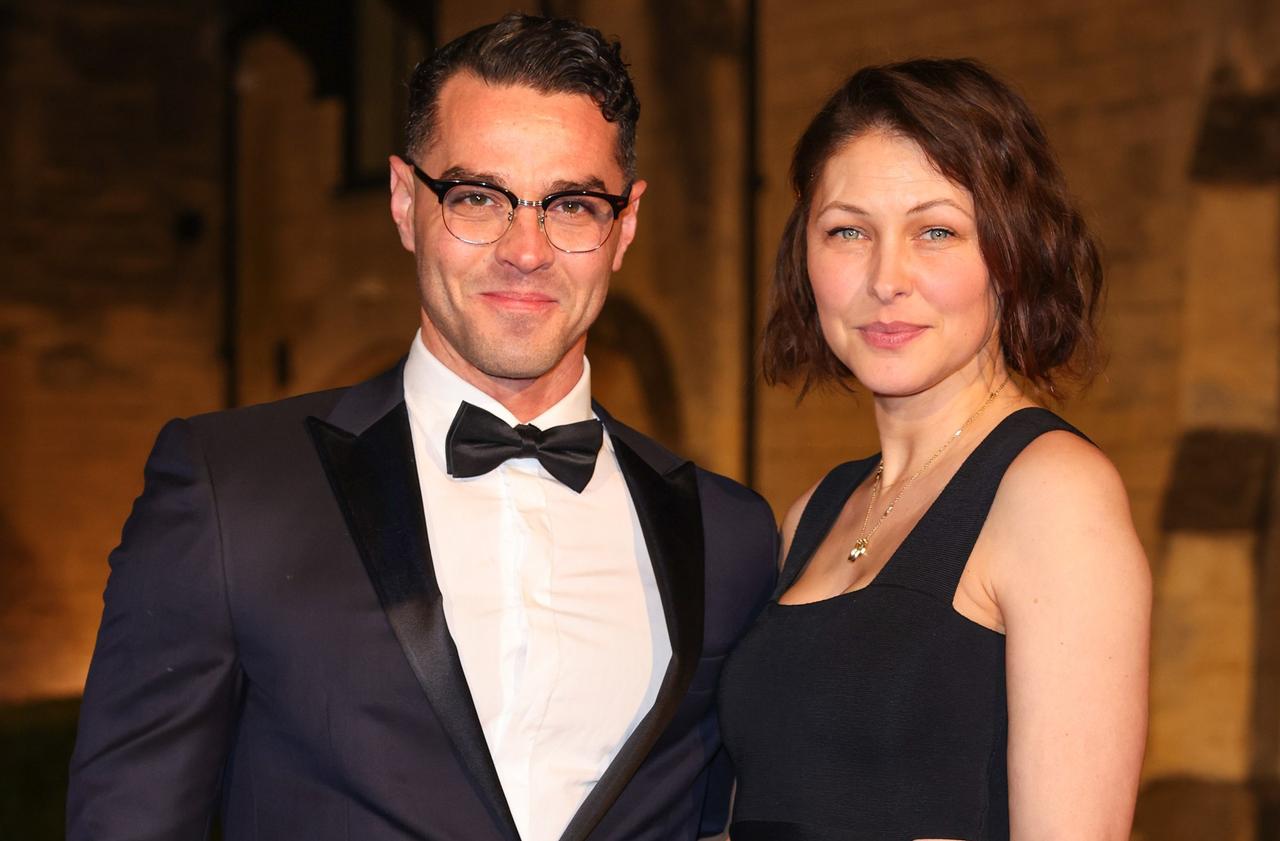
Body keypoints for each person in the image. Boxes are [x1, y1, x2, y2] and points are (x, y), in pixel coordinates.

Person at [67, 14, 777, 841]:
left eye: (573, 204)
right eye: (477, 197)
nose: (525, 250)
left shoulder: (730, 537)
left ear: (624, 226)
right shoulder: (227, 492)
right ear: (406, 202)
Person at [717, 59, 1150, 840]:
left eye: (937, 231)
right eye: (847, 231)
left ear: (1012, 254)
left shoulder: (1054, 494)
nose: (887, 278)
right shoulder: (813, 511)